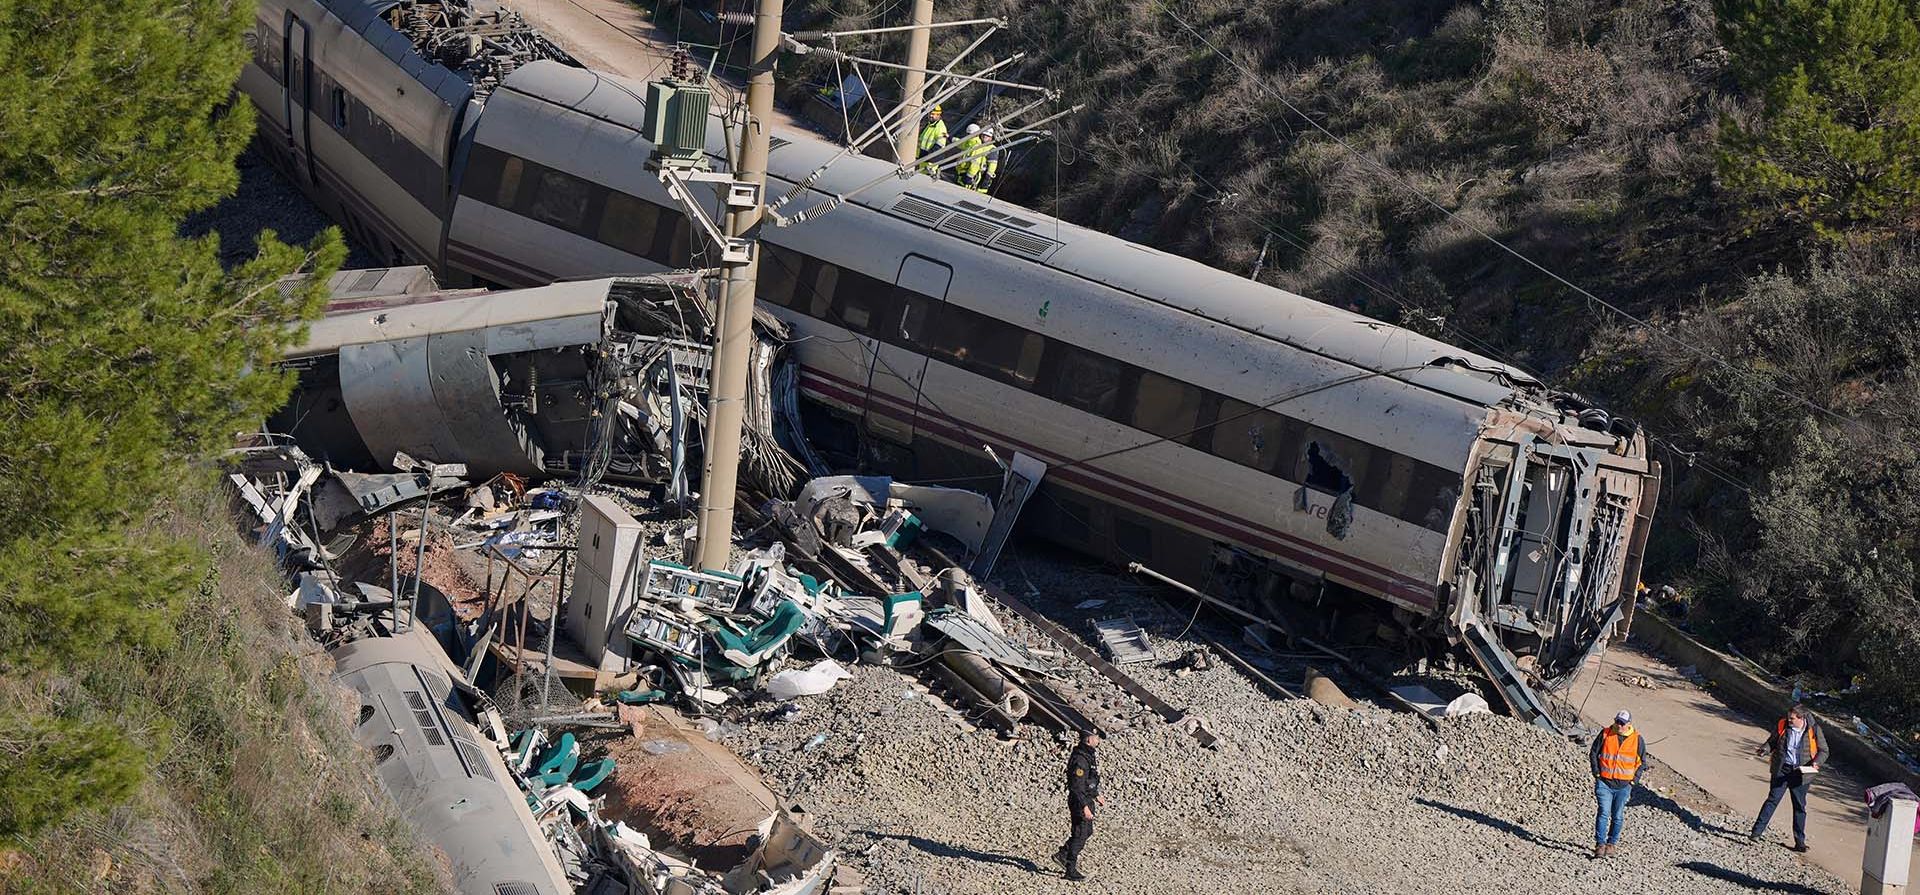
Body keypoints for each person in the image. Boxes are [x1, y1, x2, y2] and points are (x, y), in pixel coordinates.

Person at [1750, 704, 1823, 852]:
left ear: (1801, 718)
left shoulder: (1813, 729)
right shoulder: (1782, 724)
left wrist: (1816, 763)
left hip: (1801, 773)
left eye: (1792, 718)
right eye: (1789, 717)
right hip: (1782, 769)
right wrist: (1764, 749)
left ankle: (1800, 842)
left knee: (1799, 807)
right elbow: (1772, 742)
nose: (1789, 720)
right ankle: (1756, 833)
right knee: (1772, 800)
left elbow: (1824, 750)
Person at [1589, 709, 1645, 858]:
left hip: (1624, 786)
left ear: (1628, 724)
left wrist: (1634, 781)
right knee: (1603, 812)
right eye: (1617, 721)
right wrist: (1596, 773)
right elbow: (1594, 752)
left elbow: (1641, 762)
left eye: (1622, 723)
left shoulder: (1637, 739)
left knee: (1618, 816)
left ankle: (1611, 844)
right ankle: (1600, 844)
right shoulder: (1606, 733)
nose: (1618, 725)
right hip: (1604, 783)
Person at [1053, 729, 1104, 881]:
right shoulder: (1080, 759)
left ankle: (1063, 854)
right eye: (1096, 737)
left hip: (1087, 799)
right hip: (1079, 801)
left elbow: (1089, 781)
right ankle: (1070, 869)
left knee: (1087, 831)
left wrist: (1096, 795)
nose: (1098, 740)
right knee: (1080, 833)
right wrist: (1084, 806)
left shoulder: (1088, 755)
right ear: (1088, 739)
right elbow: (1076, 786)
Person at [959, 126, 999, 193]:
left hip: (978, 176)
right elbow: (961, 143)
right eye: (984, 135)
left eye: (987, 136)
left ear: (991, 137)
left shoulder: (992, 149)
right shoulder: (977, 144)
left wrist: (987, 178)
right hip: (965, 173)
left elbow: (992, 165)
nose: (985, 137)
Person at [916, 105, 948, 175]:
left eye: (933, 114)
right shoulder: (930, 125)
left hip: (931, 159)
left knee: (926, 178)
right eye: (930, 113)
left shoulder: (940, 127)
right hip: (923, 156)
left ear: (939, 115)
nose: (931, 116)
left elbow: (939, 145)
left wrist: (929, 156)